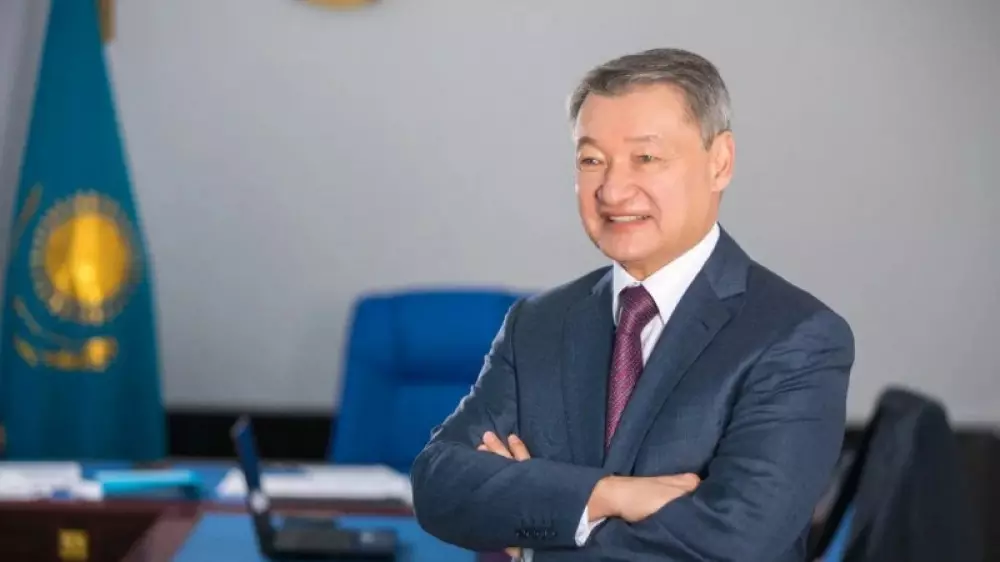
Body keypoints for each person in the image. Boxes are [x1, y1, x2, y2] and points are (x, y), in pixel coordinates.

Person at [409, 47, 855, 562]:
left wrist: (538, 528)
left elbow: (737, 542)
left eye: (646, 158)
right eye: (592, 160)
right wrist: (609, 496)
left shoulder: (795, 336)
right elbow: (439, 483)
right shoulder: (539, 323)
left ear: (720, 162)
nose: (614, 190)